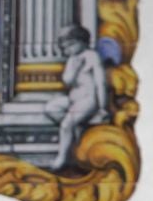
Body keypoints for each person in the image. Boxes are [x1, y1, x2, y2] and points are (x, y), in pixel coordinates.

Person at [43, 24, 109, 170]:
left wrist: (103, 107)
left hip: (89, 100)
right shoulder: (73, 59)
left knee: (66, 124)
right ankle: (75, 129)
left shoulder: (92, 56)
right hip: (74, 99)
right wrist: (75, 68)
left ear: (82, 41)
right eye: (66, 47)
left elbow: (100, 83)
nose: (68, 50)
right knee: (51, 108)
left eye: (71, 45)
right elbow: (68, 81)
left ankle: (62, 158)